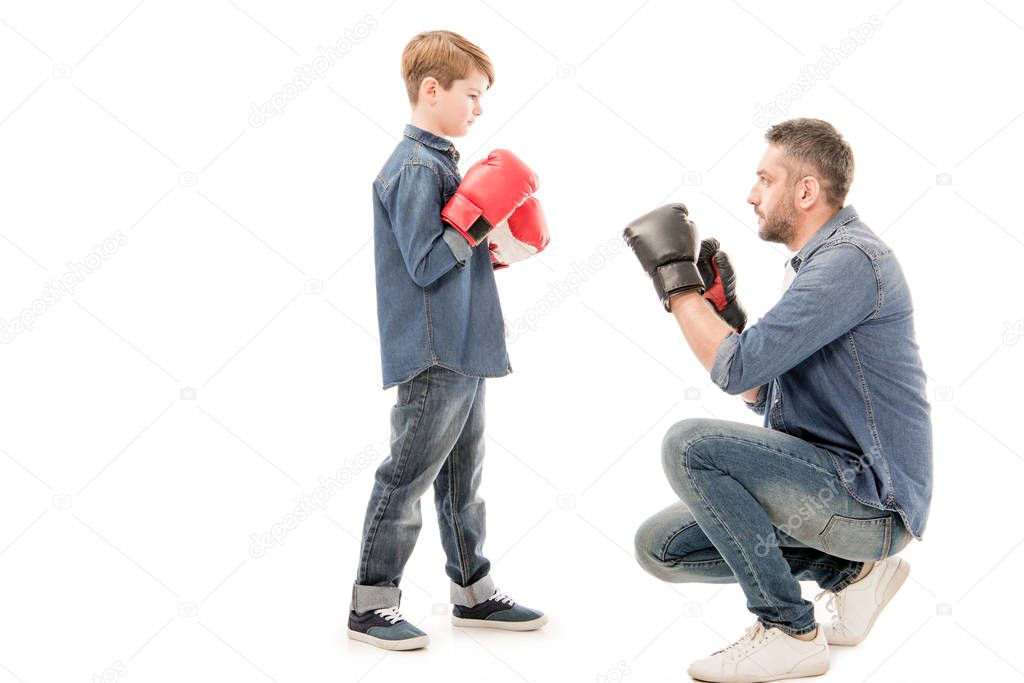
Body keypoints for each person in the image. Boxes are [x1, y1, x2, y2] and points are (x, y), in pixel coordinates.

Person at [623, 118, 932, 682]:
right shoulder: (819, 266)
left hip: (871, 500)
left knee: (690, 445)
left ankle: (789, 631)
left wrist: (677, 282)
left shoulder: (849, 262)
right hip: (830, 490)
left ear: (807, 190)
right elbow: (758, 390)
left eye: (765, 179)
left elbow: (733, 367)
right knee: (660, 546)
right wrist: (730, 321)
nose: (751, 193)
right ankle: (851, 575)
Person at [347, 30, 549, 651]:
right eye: (472, 94)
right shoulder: (413, 168)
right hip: (434, 354)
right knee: (406, 475)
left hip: (466, 348)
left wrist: (496, 244)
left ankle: (473, 591)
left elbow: (456, 259)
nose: (479, 108)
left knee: (463, 478)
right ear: (430, 90)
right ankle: (372, 603)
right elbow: (427, 264)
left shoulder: (442, 165)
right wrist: (480, 218)